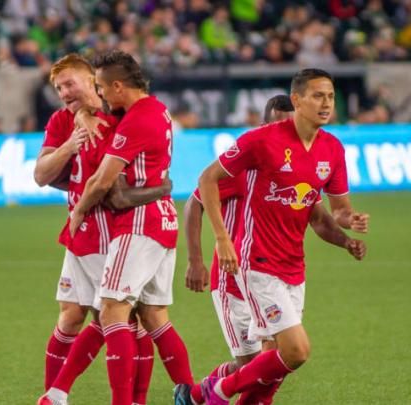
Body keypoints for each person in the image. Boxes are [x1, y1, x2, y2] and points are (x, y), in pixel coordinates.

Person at [176, 69, 368, 405]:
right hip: (256, 264)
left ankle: (200, 393)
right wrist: (218, 242)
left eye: (331, 96)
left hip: (294, 266)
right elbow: (204, 182)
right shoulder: (260, 143)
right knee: (294, 350)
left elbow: (331, 212)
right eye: (318, 96)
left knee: (271, 363)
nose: (326, 103)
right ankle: (214, 392)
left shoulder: (332, 150)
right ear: (298, 100)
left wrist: (349, 226)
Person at [37, 53, 169, 405]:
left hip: (112, 232)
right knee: (70, 315)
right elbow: (41, 175)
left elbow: (121, 183)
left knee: (123, 317)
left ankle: (125, 399)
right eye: (58, 88)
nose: (64, 93)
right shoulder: (61, 120)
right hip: (79, 235)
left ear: (92, 82)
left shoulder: (121, 114)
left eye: (70, 84)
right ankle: (53, 395)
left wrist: (162, 189)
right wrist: (71, 141)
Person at [65, 50, 194, 405]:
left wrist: (77, 214)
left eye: (103, 88)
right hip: (162, 218)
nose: (102, 95)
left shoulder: (138, 120)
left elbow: (101, 181)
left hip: (139, 223)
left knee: (111, 310)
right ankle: (191, 394)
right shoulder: (159, 109)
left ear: (119, 86)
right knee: (154, 316)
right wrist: (84, 114)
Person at [178, 95, 296, 405]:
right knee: (251, 366)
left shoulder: (292, 167)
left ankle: (201, 391)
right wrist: (195, 261)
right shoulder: (240, 166)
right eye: (277, 125)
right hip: (233, 281)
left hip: (269, 276)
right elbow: (193, 204)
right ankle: (199, 393)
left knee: (274, 362)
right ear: (263, 126)